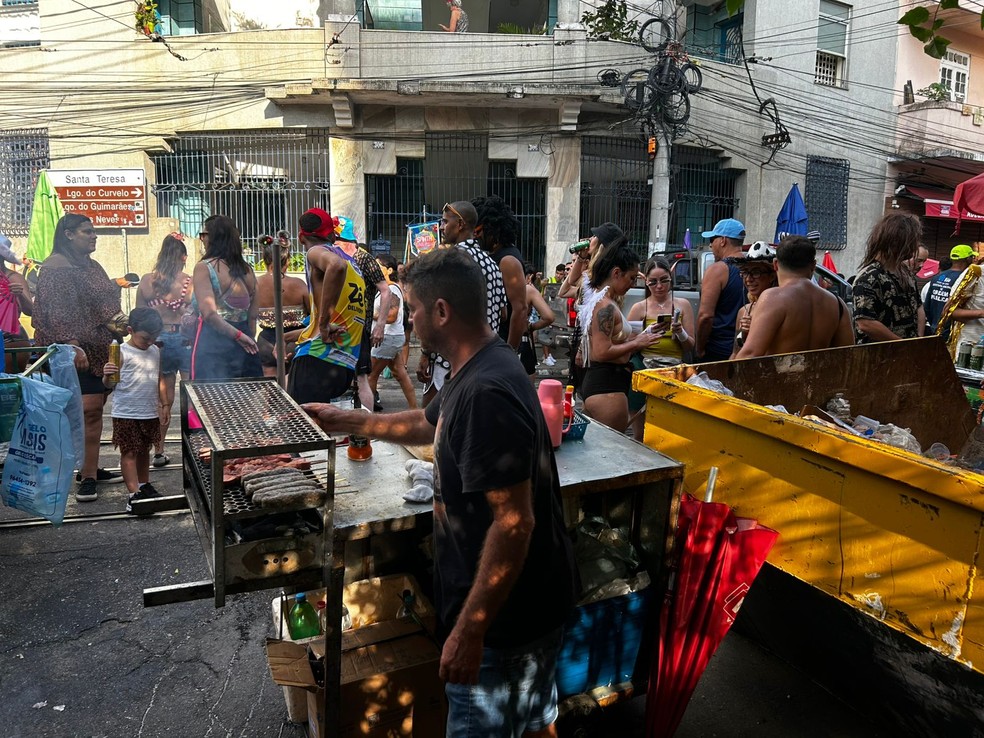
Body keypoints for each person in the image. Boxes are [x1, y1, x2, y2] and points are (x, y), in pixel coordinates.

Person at [304, 248, 577, 738]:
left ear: (442, 311)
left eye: (412, 309)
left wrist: (470, 631)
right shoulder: (477, 364)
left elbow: (515, 524)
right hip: (529, 609)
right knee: (537, 724)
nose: (407, 320)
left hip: (504, 626)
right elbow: (429, 423)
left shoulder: (486, 391)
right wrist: (353, 420)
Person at [33, 213, 124, 502]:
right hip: (75, 353)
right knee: (88, 411)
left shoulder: (91, 265)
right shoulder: (55, 268)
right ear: (69, 234)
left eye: (93, 230)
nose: (94, 235)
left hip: (99, 349)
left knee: (95, 410)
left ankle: (90, 465)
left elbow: (106, 304)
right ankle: (86, 477)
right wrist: (73, 345)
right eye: (87, 231)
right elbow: (56, 314)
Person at [417, 201, 504, 407]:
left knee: (433, 423)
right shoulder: (491, 264)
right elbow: (503, 313)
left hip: (450, 359)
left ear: (461, 224)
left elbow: (436, 314)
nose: (441, 226)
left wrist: (425, 353)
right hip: (484, 360)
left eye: (446, 222)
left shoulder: (449, 261)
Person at [288, 208, 366, 404]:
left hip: (318, 358)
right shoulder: (352, 264)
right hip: (344, 365)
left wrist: (323, 324)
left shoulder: (316, 252)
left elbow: (335, 266)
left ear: (301, 237)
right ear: (332, 235)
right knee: (324, 430)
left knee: (303, 430)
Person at [579, 243, 660, 433]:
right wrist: (637, 343)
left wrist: (642, 336)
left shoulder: (604, 301)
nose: (633, 284)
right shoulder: (604, 305)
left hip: (605, 385)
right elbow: (602, 351)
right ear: (616, 273)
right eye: (631, 278)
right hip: (607, 388)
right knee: (609, 457)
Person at [736, 236, 854, 358]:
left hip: (779, 376)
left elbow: (750, 354)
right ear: (813, 265)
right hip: (820, 376)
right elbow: (847, 356)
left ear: (775, 264)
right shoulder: (837, 304)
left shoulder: (773, 298)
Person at [136, 232, 192, 468]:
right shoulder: (189, 282)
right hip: (186, 338)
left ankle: (158, 450)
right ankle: (196, 445)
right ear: (182, 257)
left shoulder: (148, 281)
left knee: (164, 396)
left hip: (159, 340)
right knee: (191, 393)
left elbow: (138, 316)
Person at [102, 308, 165, 513]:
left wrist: (163, 405)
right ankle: (133, 494)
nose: (149, 342)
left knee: (145, 450)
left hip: (148, 411)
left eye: (153, 338)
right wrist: (106, 375)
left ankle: (144, 485)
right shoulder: (122, 352)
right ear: (130, 330)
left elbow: (158, 379)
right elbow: (109, 384)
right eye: (145, 338)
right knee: (129, 452)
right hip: (126, 412)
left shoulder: (155, 351)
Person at [626, 256, 695, 439]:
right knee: (640, 427)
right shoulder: (640, 308)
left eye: (664, 280)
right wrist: (644, 335)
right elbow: (628, 345)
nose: (659, 286)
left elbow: (690, 345)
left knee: (671, 426)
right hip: (644, 366)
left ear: (671, 278)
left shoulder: (683, 305)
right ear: (646, 282)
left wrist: (680, 333)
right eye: (653, 282)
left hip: (674, 368)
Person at [190, 215, 262, 379]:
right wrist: (246, 337)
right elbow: (252, 315)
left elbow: (209, 314)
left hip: (214, 345)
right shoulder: (247, 270)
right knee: (245, 400)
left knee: (211, 400)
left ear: (214, 237)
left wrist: (238, 337)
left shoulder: (204, 267)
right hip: (247, 344)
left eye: (204, 234)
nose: (201, 239)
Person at [557, 222, 625, 391]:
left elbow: (591, 315)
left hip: (593, 342)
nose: (590, 238)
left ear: (602, 244)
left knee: (587, 389)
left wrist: (580, 349)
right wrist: (580, 258)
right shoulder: (591, 272)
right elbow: (567, 286)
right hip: (585, 340)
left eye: (595, 236)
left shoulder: (603, 275)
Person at [334, 218, 390, 411]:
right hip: (335, 328)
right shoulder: (332, 257)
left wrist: (380, 325)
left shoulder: (363, 258)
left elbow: (385, 290)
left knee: (361, 377)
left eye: (336, 240)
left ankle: (367, 428)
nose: (334, 244)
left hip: (359, 330)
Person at [852, 212, 922, 344]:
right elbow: (865, 323)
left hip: (907, 354)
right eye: (913, 241)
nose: (915, 246)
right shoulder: (869, 277)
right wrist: (903, 344)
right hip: (878, 358)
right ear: (897, 241)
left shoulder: (905, 271)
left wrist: (918, 341)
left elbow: (918, 306)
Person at [474, 195, 528, 351]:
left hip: (500, 345)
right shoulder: (491, 256)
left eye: (478, 230)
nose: (475, 236)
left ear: (492, 229)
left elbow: (520, 309)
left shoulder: (507, 261)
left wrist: (510, 352)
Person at [254, 232, 310, 379]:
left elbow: (250, 315)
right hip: (294, 342)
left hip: (266, 342)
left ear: (264, 260)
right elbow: (313, 314)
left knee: (270, 389)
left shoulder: (255, 285)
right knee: (293, 389)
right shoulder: (298, 285)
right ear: (287, 260)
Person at [367, 253, 416, 410]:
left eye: (378, 266)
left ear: (388, 270)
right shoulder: (386, 288)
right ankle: (415, 411)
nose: (374, 269)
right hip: (391, 338)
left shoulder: (391, 290)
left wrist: (369, 314)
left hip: (386, 338)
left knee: (371, 376)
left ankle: (368, 415)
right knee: (400, 374)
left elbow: (392, 316)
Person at [695, 218, 746, 362]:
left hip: (718, 350)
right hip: (746, 348)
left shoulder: (718, 270)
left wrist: (699, 349)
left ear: (723, 240)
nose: (710, 245)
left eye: (713, 239)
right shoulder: (756, 270)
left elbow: (705, 316)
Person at [730, 242, 779, 357]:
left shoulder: (779, 308)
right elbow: (735, 352)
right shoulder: (744, 311)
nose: (749, 279)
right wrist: (743, 333)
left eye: (756, 272)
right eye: (745, 273)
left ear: (772, 276)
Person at [925, 247, 973, 341]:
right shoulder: (964, 280)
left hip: (935, 328)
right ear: (968, 259)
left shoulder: (936, 277)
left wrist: (934, 324)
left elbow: (927, 306)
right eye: (972, 257)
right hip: (951, 332)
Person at [520, 262, 555, 382]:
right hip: (522, 340)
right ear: (528, 277)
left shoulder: (500, 287)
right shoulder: (527, 290)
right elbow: (549, 317)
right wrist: (532, 326)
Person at [0, 253, 33, 373]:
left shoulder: (12, 278)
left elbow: (30, 311)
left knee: (8, 387)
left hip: (10, 341)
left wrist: (20, 294)